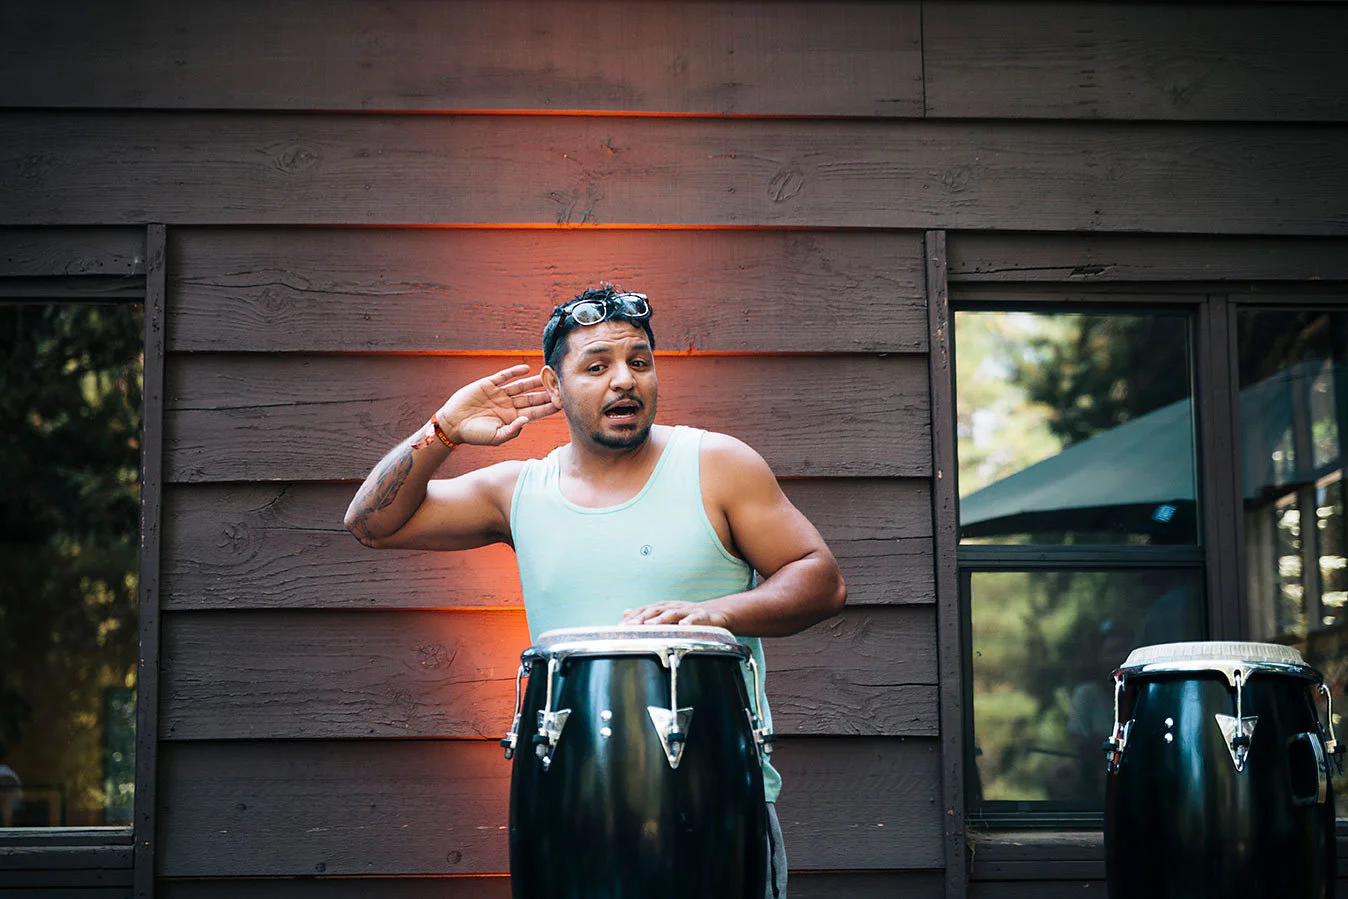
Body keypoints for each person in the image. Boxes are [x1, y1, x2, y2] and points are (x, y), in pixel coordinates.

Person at [345, 284, 846, 898]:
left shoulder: (717, 464)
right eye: (597, 366)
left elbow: (821, 579)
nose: (624, 380)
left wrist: (714, 614)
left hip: (713, 797)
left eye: (640, 361)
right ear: (553, 388)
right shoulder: (517, 491)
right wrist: (443, 430)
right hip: (569, 803)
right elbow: (370, 523)